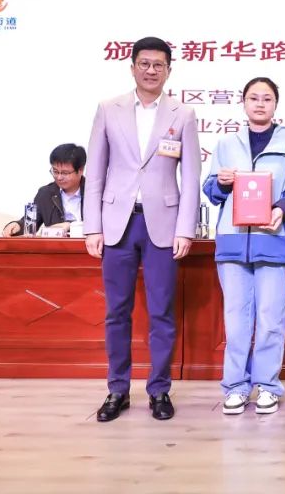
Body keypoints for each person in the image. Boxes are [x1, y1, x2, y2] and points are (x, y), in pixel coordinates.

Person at [83, 36, 201, 423]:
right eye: (145, 64)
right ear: (132, 66)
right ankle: (117, 389)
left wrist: (186, 229)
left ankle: (159, 389)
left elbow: (191, 176)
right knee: (116, 311)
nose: (151, 70)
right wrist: (92, 226)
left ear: (169, 70)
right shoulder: (108, 109)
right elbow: (95, 171)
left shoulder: (183, 114)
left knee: (162, 312)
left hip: (163, 225)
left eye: (159, 65)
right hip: (117, 223)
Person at [203, 77, 285, 416]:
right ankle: (235, 386)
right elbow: (210, 189)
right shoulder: (226, 143)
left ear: (275, 104)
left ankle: (267, 386)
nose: (260, 104)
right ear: (244, 103)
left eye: (266, 98)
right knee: (236, 321)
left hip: (273, 241)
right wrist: (221, 183)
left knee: (270, 320)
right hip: (233, 243)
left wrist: (283, 208)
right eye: (254, 98)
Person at [2, 143, 86, 236]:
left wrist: (70, 225)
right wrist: (18, 225)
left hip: (89, 244)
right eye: (55, 171)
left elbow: (98, 226)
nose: (59, 177)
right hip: (55, 245)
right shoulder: (45, 193)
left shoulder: (94, 192)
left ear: (80, 170)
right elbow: (31, 222)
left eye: (65, 173)